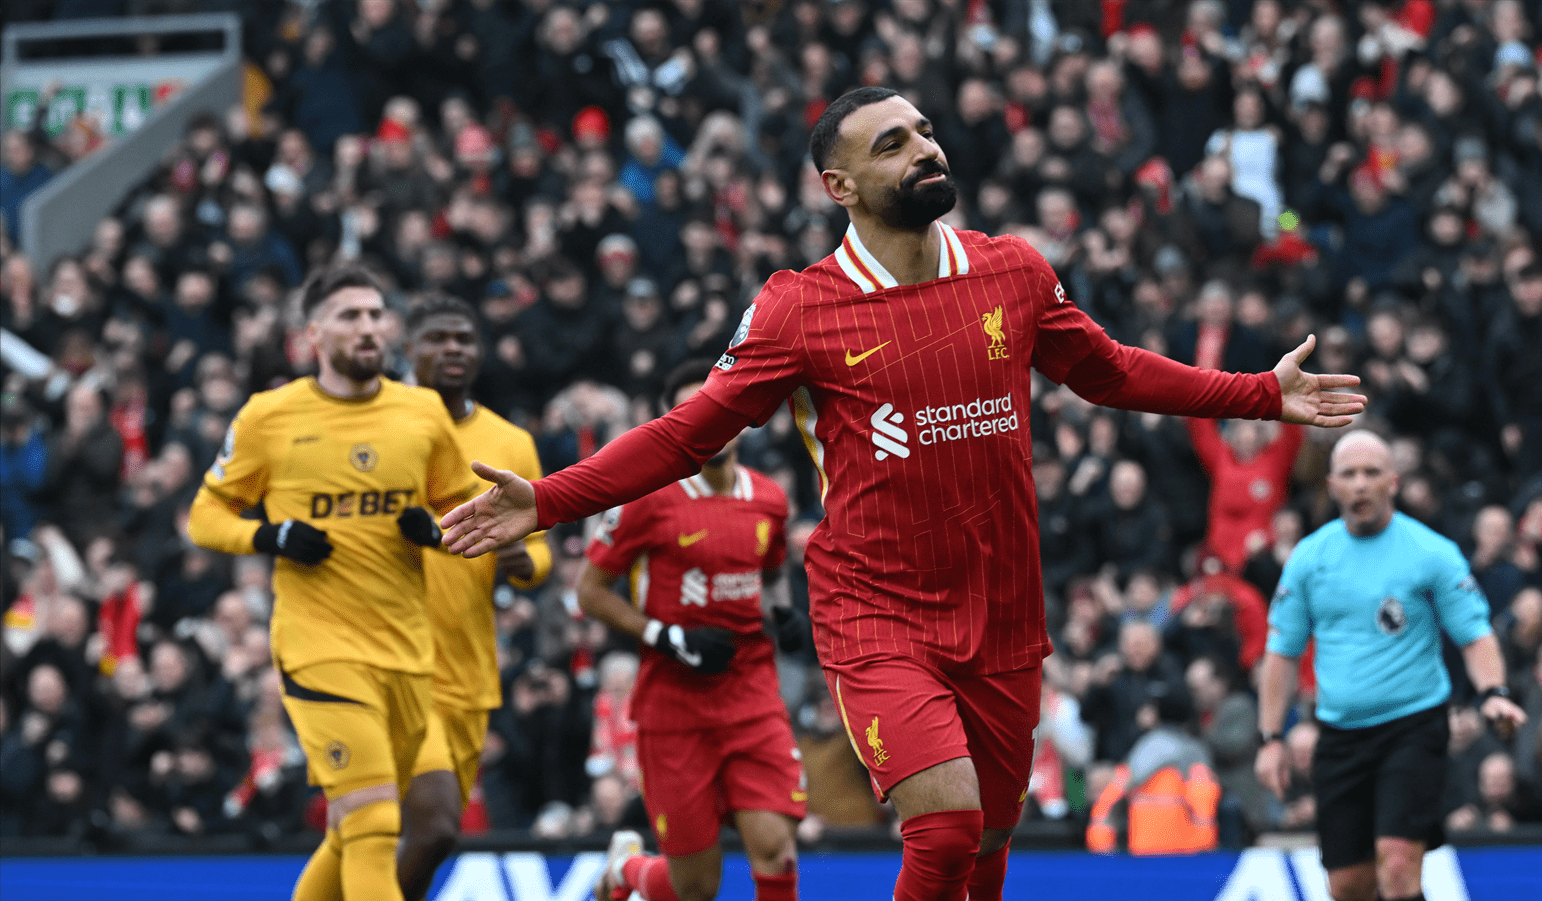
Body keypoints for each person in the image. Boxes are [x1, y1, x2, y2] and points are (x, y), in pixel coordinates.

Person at [441, 86, 1364, 901]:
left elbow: (1110, 371)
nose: (925, 148)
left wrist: (1259, 393)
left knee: (990, 843)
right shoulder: (799, 308)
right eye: (892, 144)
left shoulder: (1011, 269)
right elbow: (690, 433)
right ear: (839, 186)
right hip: (876, 607)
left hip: (1003, 605)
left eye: (924, 131)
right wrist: (549, 499)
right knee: (948, 827)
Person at [186, 265, 474, 901]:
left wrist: (435, 532)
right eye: (350, 316)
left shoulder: (422, 411)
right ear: (312, 334)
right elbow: (205, 516)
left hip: (407, 649)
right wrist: (270, 537)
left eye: (375, 314)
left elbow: (464, 505)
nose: (368, 327)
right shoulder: (269, 416)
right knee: (374, 823)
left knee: (378, 827)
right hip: (320, 648)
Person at [1254, 431, 1527, 901]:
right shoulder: (1309, 560)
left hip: (1413, 728)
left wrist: (1494, 694)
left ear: (1393, 482)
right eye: (1349, 474)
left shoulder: (1431, 552)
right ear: (1332, 485)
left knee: (1398, 865)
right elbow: (1282, 654)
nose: (1360, 484)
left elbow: (1475, 635)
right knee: (1348, 885)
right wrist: (1271, 738)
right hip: (1340, 734)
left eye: (1371, 473)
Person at [584, 359, 807, 901]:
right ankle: (627, 871)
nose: (709, 423)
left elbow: (771, 573)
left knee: (776, 849)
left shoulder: (769, 499)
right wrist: (667, 637)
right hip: (674, 707)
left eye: (717, 410)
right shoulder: (647, 497)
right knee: (695, 887)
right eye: (692, 412)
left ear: (740, 419)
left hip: (750, 694)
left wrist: (783, 614)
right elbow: (590, 591)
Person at [396, 295, 551, 901]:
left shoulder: (511, 442)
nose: (452, 349)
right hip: (394, 661)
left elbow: (539, 551)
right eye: (437, 338)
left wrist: (522, 563)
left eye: (463, 338)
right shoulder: (382, 428)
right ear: (408, 351)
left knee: (434, 836)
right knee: (425, 827)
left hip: (468, 670)